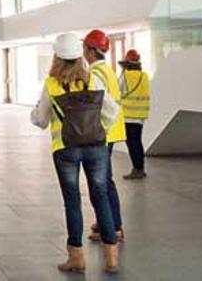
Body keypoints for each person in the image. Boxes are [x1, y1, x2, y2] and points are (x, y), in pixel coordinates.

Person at [30, 33, 121, 274]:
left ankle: (76, 258)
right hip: (97, 148)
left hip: (65, 149)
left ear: (57, 57)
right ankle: (111, 257)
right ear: (79, 56)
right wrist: (97, 128)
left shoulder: (52, 84)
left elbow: (40, 120)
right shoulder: (92, 79)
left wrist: (34, 112)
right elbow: (112, 111)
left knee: (72, 200)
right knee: (100, 196)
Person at [83, 29, 127, 244]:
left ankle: (113, 226)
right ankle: (108, 222)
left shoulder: (95, 73)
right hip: (112, 130)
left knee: (100, 183)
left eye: (85, 48)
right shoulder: (107, 69)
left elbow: (96, 104)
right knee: (104, 181)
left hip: (102, 133)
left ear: (91, 50)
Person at [118, 49, 150, 180]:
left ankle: (137, 169)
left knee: (132, 143)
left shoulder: (125, 76)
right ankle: (140, 168)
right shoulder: (144, 76)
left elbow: (117, 90)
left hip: (128, 115)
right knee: (137, 141)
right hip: (140, 116)